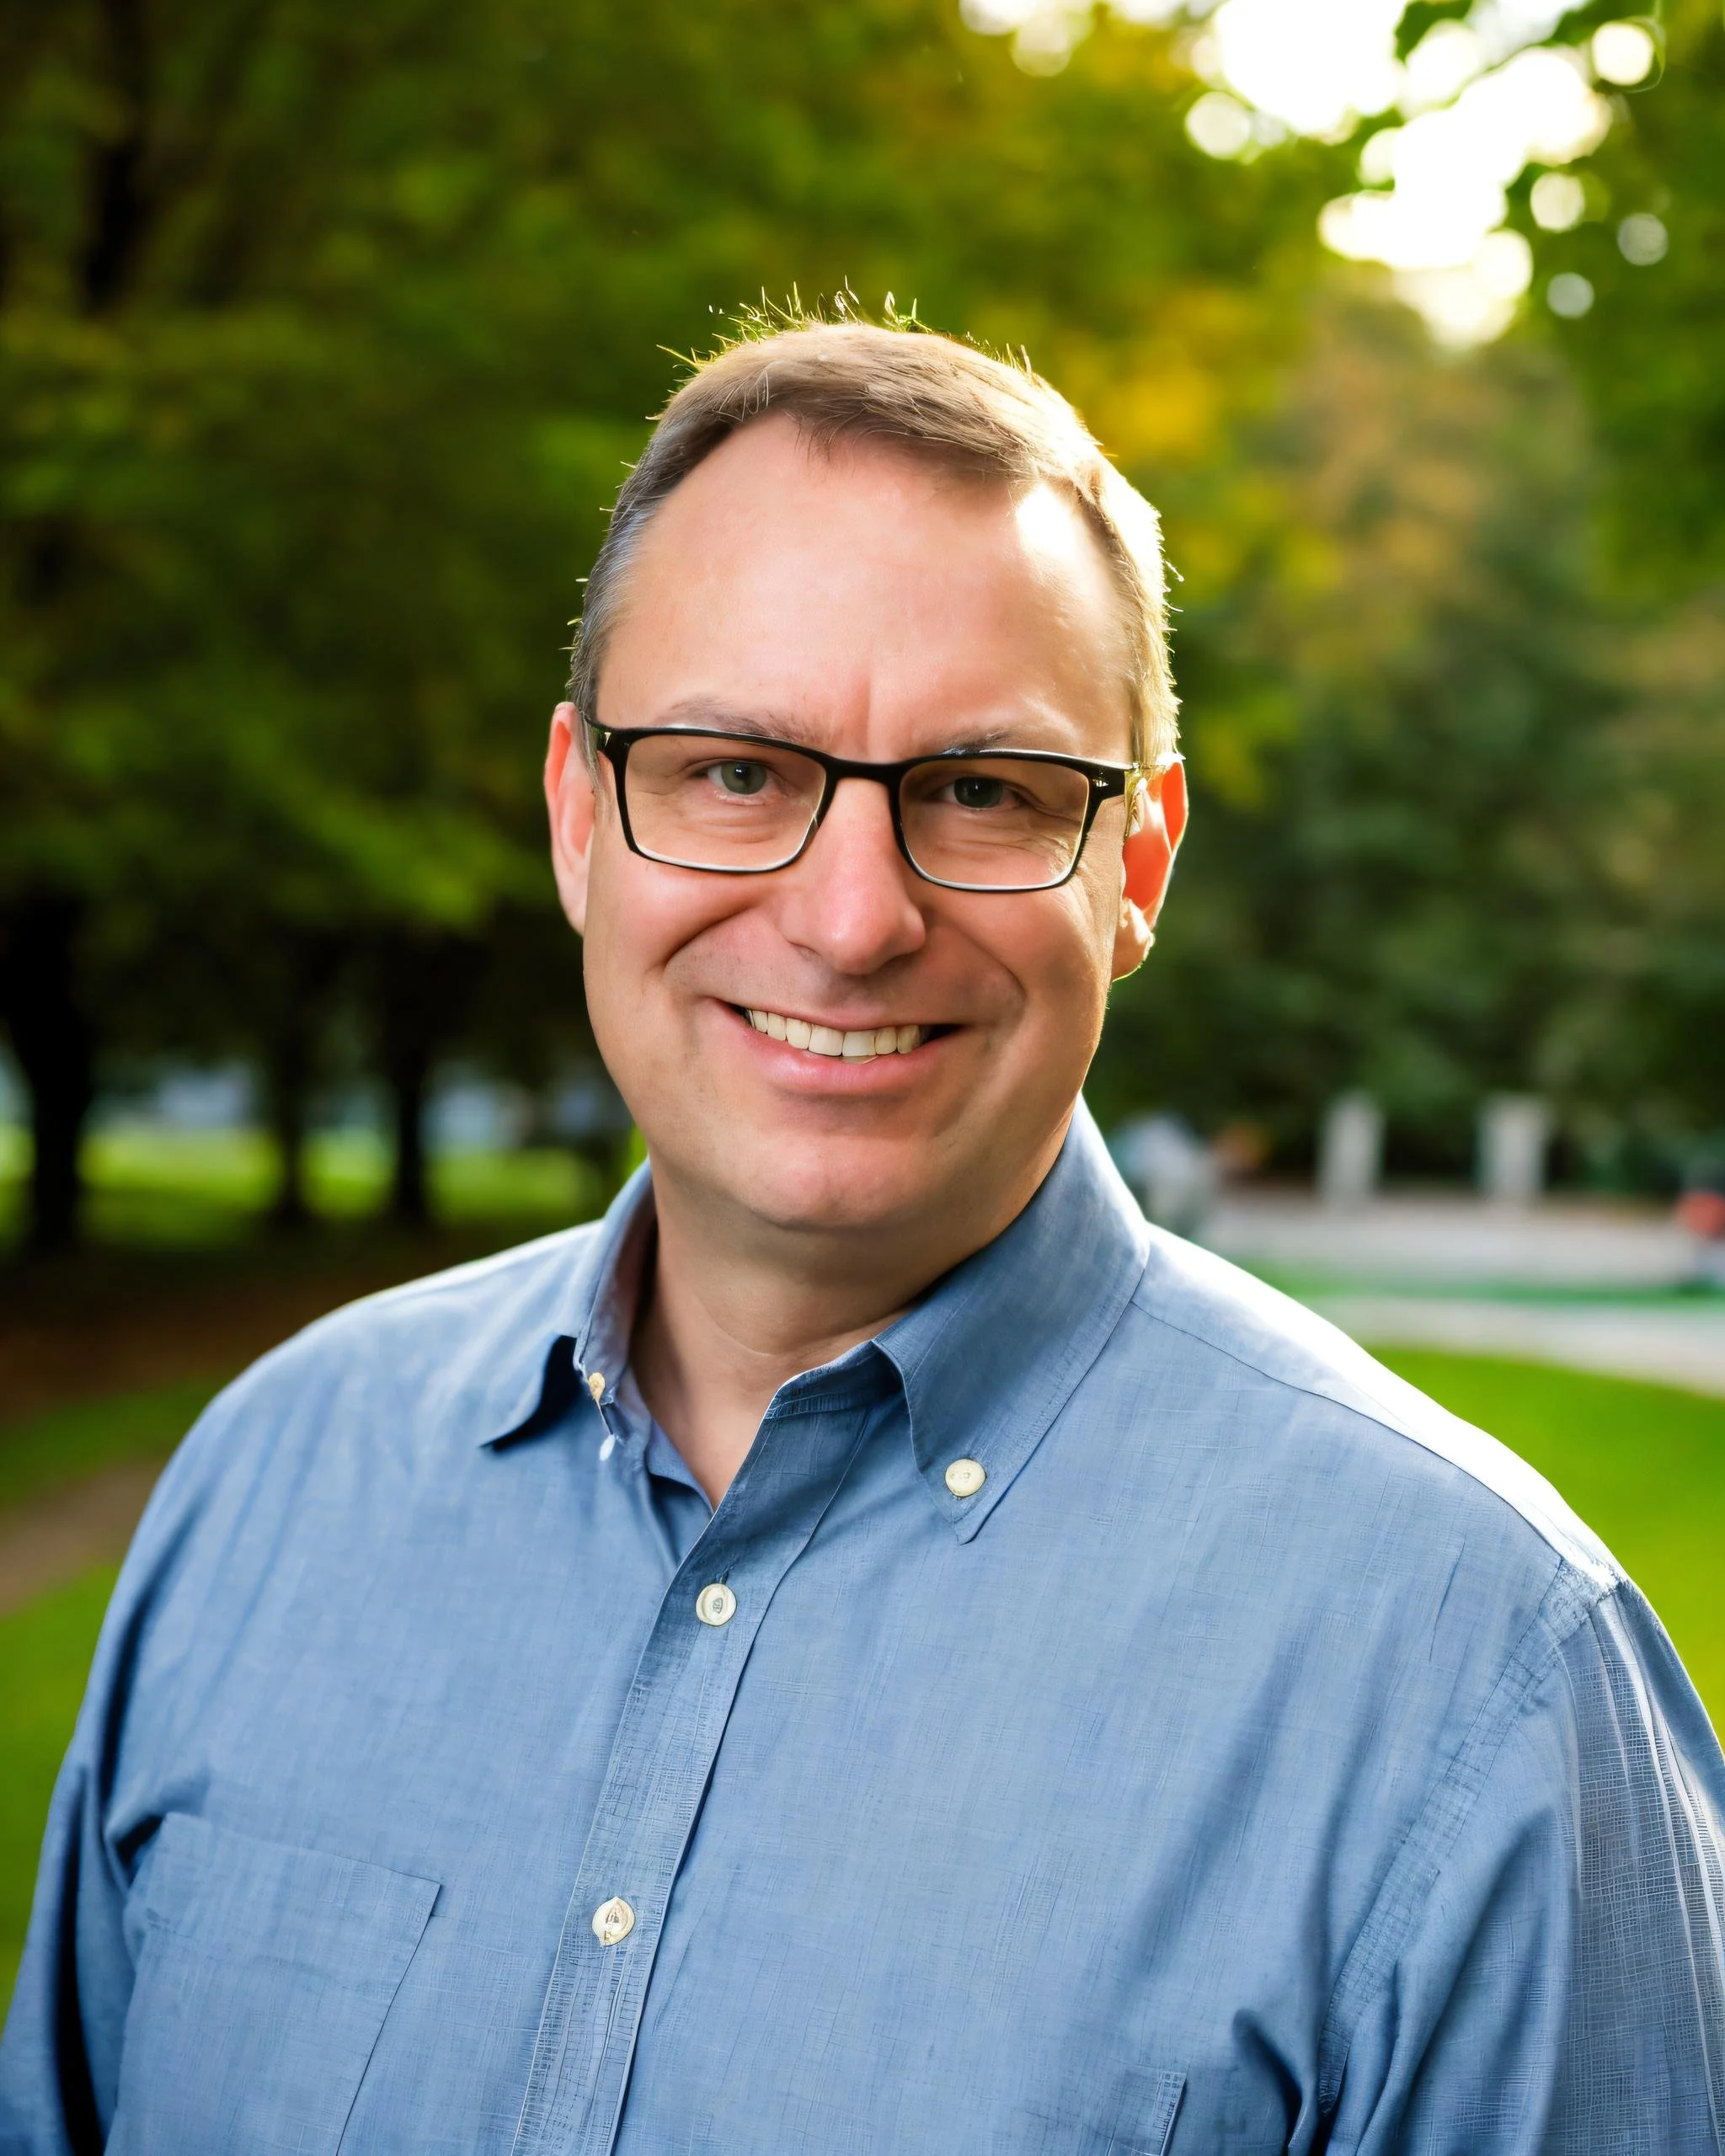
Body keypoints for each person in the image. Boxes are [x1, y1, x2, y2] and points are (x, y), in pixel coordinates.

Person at [3, 321, 1722, 2156]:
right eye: (736, 769)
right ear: (584, 814)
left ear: (1131, 870)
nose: (847, 919)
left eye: (983, 791)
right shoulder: (275, 1477)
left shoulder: (1481, 1675)